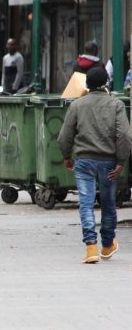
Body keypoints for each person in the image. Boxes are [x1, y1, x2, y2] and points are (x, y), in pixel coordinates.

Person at [57, 67, 130, 264]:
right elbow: (124, 136)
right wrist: (121, 162)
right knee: (108, 204)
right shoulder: (117, 105)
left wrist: (67, 156)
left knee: (86, 203)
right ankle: (107, 245)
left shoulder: (77, 105)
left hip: (84, 161)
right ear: (107, 83)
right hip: (108, 162)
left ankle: (91, 248)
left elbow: (64, 137)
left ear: (87, 85)